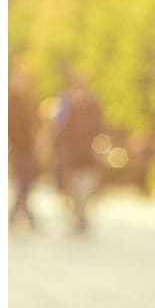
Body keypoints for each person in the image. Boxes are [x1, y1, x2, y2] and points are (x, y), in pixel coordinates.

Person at [51, 77, 104, 234]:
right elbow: (58, 131)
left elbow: (101, 130)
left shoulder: (94, 109)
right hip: (70, 156)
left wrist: (100, 146)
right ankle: (77, 215)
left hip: (89, 155)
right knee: (73, 190)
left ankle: (82, 215)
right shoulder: (66, 110)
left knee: (87, 189)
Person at [9, 70, 41, 231]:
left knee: (27, 182)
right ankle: (21, 215)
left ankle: (20, 214)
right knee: (22, 182)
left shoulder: (29, 101)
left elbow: (35, 124)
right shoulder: (9, 102)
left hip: (29, 148)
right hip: (16, 149)